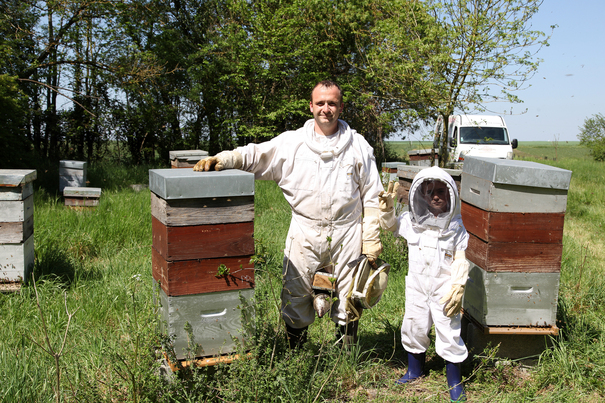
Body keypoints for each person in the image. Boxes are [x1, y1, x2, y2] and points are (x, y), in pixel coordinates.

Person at [193, 80, 384, 348]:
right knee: (295, 293)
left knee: (349, 296)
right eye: (320, 103)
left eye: (331, 103)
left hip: (347, 232)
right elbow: (256, 155)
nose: (326, 109)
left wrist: (371, 240)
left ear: (341, 107)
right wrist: (225, 159)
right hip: (304, 231)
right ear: (311, 106)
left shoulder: (359, 147)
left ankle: (345, 354)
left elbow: (373, 196)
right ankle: (297, 351)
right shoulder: (292, 143)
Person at [378, 166, 470, 402]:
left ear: (451, 195)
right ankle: (414, 370)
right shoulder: (411, 221)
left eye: (441, 190)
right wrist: (388, 208)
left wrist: (458, 285)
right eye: (431, 192)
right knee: (414, 324)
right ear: (421, 195)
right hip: (417, 285)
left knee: (449, 331)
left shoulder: (456, 227)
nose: (436, 196)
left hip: (444, 288)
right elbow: (390, 226)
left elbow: (461, 258)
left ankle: (454, 382)